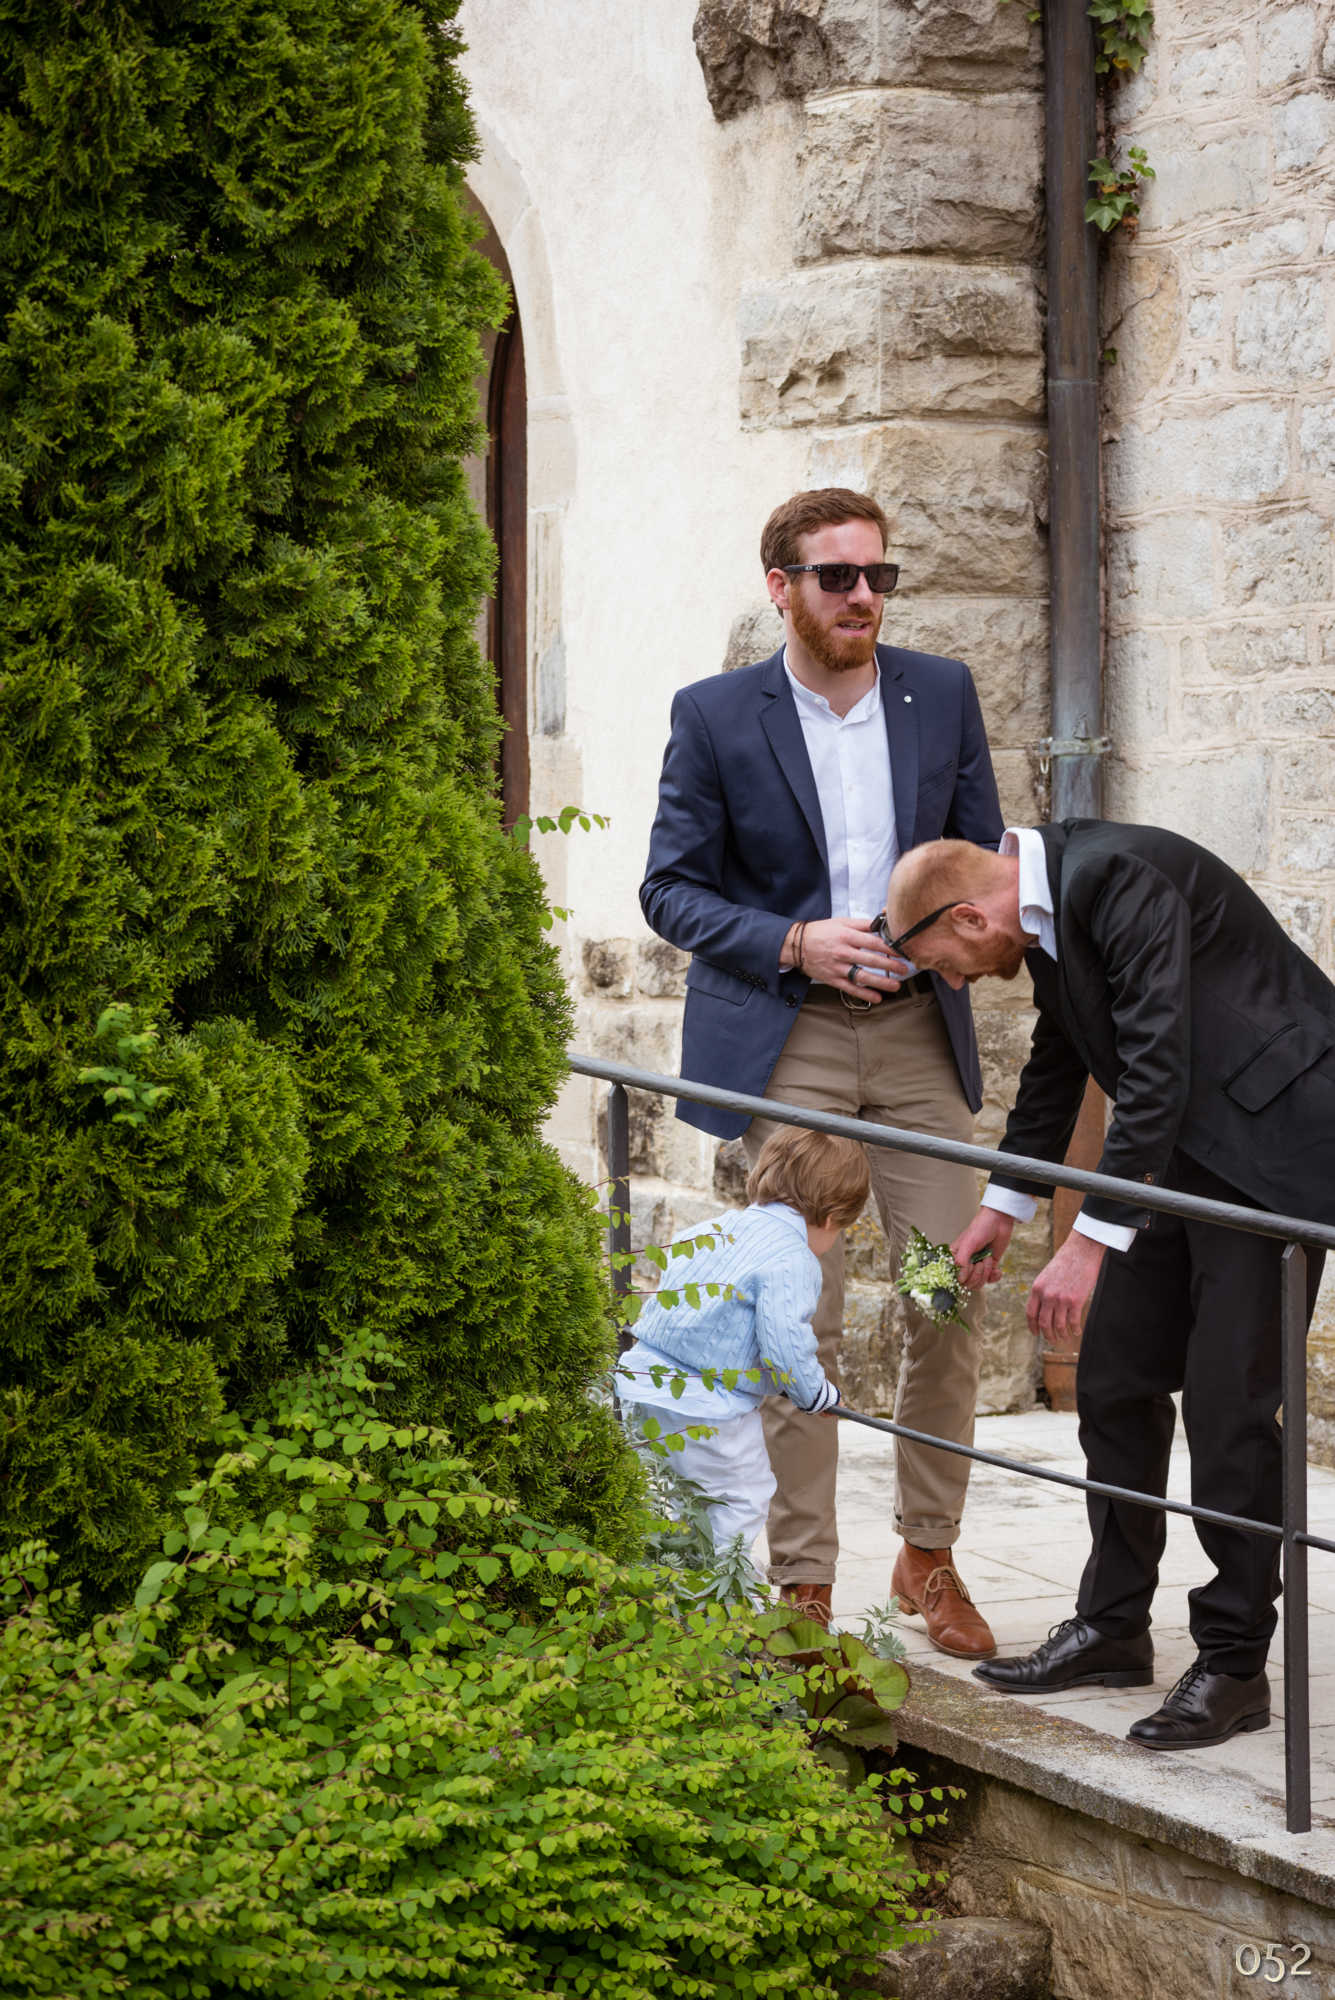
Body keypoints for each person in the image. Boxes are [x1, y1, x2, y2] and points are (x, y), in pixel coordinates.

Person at [640, 486, 1004, 1657]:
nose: (862, 596)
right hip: (789, 1034)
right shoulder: (716, 715)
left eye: (877, 576)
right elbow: (670, 888)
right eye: (837, 576)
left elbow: (983, 862)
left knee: (944, 1290)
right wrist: (795, 940)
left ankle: (927, 1551)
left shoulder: (939, 693)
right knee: (801, 1303)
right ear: (781, 587)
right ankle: (803, 1578)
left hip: (916, 1037)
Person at [884, 820, 1335, 1748]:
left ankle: (1233, 1663)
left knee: (1228, 1412)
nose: (956, 983)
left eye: (944, 967)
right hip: (1177, 1156)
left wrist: (1086, 1242)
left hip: (1272, 1156)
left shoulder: (1117, 876)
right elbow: (1061, 1064)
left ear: (969, 917)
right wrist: (1002, 1206)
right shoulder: (1046, 916)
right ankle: (1112, 1627)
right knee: (1114, 1383)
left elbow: (1155, 1060)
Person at [618, 1128, 869, 1558]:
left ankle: (658, 1577)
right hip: (711, 1408)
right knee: (739, 1499)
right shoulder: (793, 1259)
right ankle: (719, 1587)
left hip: (642, 1383)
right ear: (832, 1218)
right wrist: (816, 1395)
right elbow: (786, 1345)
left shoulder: (709, 1229)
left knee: (662, 1495)